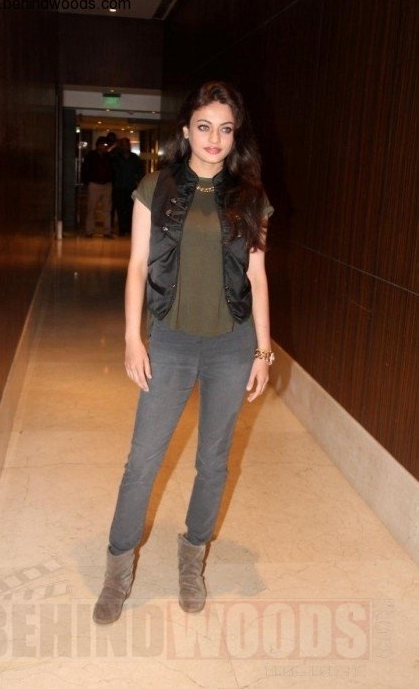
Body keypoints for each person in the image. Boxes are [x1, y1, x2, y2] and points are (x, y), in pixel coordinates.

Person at [93, 81, 275, 625]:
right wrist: (133, 337)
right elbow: (136, 267)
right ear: (186, 131)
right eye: (204, 126)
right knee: (142, 461)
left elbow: (257, 276)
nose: (214, 138)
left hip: (230, 345)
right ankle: (117, 569)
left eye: (225, 129)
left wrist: (263, 351)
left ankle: (192, 557)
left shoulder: (250, 197)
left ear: (235, 136)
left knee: (213, 462)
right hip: (170, 341)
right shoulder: (156, 187)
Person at [81, 136, 115, 238]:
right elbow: (85, 169)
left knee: (107, 209)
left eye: (107, 145)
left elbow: (113, 170)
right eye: (104, 145)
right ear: (98, 145)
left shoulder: (109, 156)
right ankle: (89, 231)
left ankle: (107, 232)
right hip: (94, 184)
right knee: (91, 208)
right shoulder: (90, 155)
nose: (106, 147)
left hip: (107, 184)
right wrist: (86, 182)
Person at [111, 137, 144, 235]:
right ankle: (122, 229)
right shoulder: (116, 158)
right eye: (124, 145)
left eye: (127, 145)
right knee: (120, 209)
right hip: (119, 187)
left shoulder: (134, 158)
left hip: (131, 187)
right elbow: (113, 172)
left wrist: (138, 182)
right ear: (121, 146)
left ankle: (129, 229)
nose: (126, 147)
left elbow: (140, 171)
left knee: (131, 209)